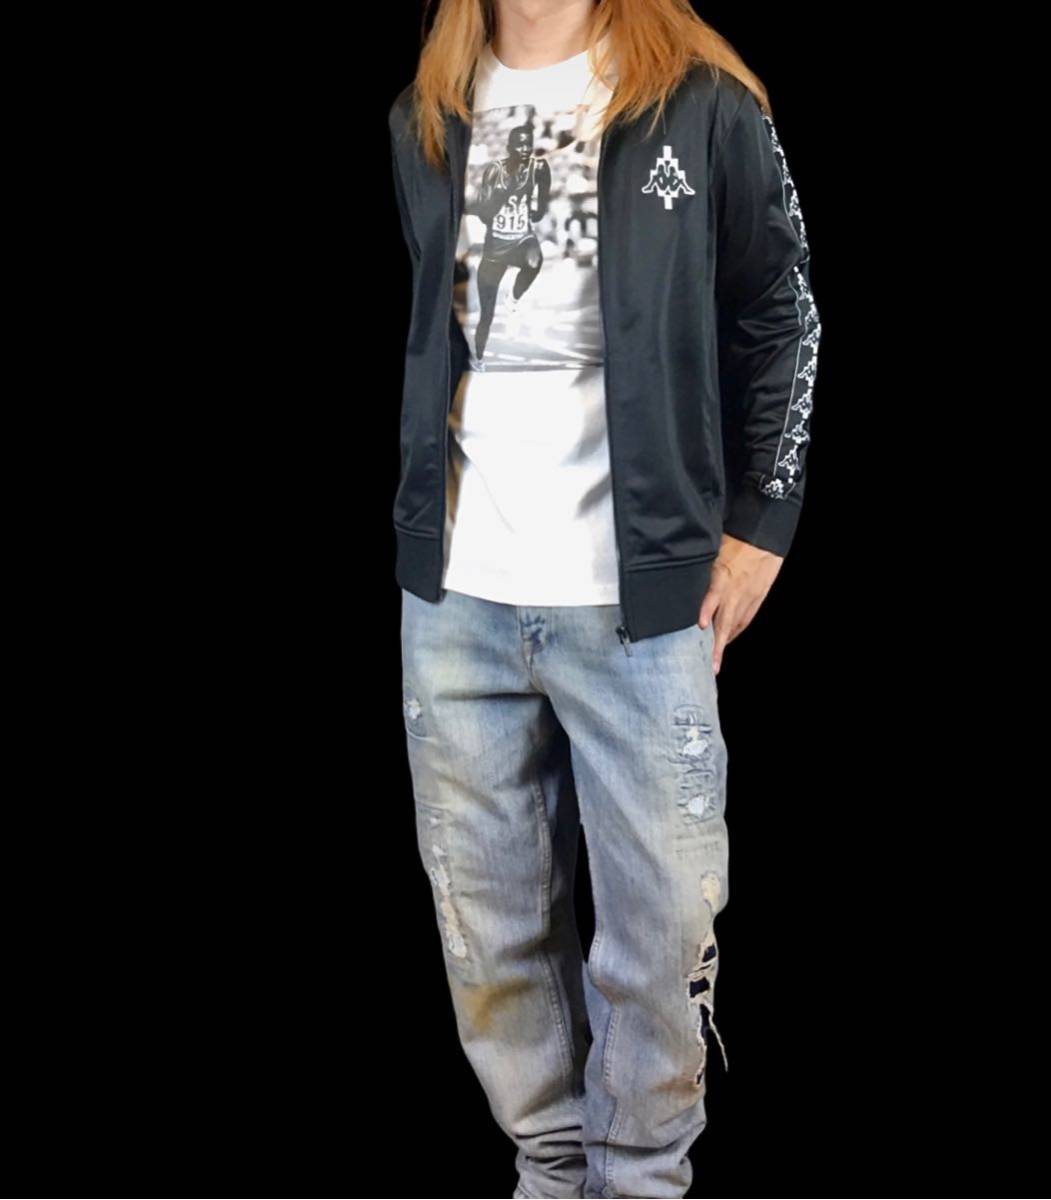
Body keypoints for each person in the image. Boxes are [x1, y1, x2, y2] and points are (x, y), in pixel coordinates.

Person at [387, 1, 821, 1195]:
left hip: (636, 607)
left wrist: (760, 528)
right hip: (456, 603)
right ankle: (548, 1168)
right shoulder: (427, 116)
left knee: (664, 936)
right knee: (488, 940)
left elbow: (784, 313)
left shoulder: (700, 104)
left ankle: (639, 1179)